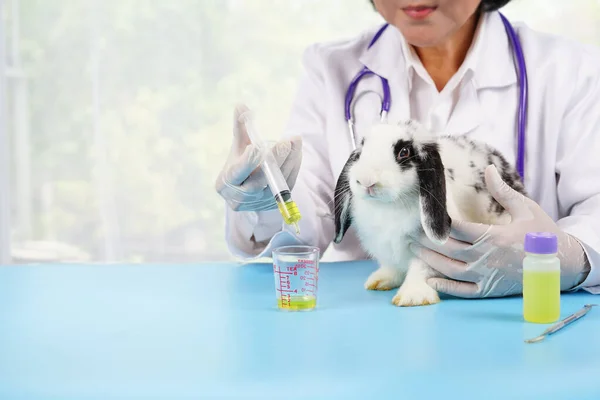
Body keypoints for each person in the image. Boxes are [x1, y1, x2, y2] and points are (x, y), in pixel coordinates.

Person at [215, 0, 600, 298]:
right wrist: (263, 200)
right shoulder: (330, 68)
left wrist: (565, 257)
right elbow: (306, 223)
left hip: (521, 322)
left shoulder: (570, 70)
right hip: (374, 328)